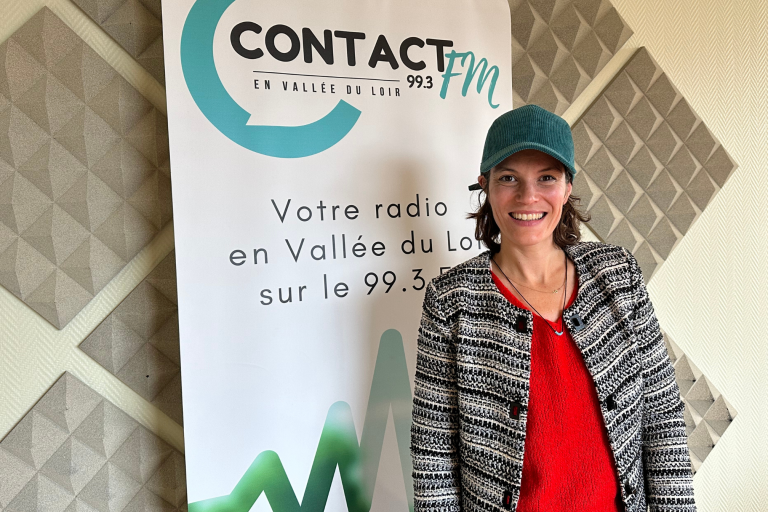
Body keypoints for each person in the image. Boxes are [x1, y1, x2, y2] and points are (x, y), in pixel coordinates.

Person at [410, 105, 696, 512]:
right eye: (509, 178)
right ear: (485, 186)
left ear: (567, 186)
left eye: (546, 177)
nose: (528, 196)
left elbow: (662, 418)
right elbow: (434, 453)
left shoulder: (618, 275)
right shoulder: (451, 299)